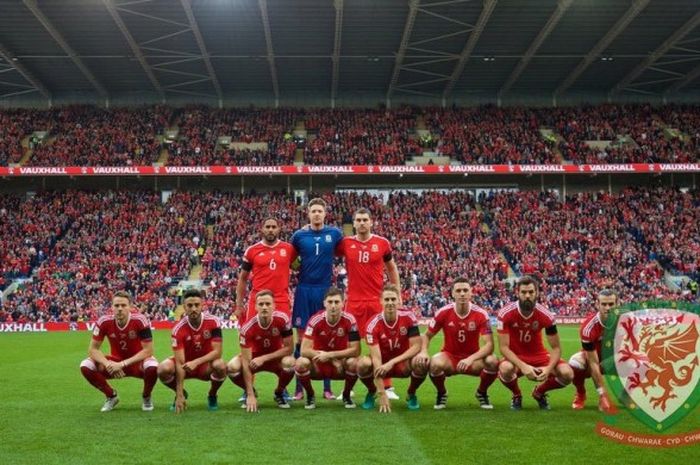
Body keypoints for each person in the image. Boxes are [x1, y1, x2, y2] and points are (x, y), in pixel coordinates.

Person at [336, 207, 401, 399]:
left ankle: (387, 386)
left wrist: (397, 292)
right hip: (353, 301)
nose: (362, 223)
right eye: (359, 220)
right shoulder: (345, 243)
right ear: (353, 223)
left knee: (381, 344)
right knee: (350, 346)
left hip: (375, 301)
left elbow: (392, 268)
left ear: (371, 222)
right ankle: (348, 388)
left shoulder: (382, 243)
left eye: (365, 219)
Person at [413, 278, 499, 410]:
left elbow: (489, 345)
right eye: (458, 290)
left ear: (471, 293)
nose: (462, 294)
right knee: (434, 363)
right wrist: (423, 351)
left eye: (465, 290)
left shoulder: (481, 314)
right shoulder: (443, 312)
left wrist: (470, 358)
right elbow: (426, 336)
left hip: (472, 359)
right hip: (450, 357)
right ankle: (442, 393)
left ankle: (482, 392)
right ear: (452, 293)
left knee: (493, 361)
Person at [290, 198, 344, 400]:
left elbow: (344, 250)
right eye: (313, 211)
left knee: (324, 339)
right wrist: (298, 267)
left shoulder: (335, 234)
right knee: (302, 341)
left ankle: (327, 388)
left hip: (324, 291)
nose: (317, 214)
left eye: (320, 211)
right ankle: (298, 388)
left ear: (325, 213)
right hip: (304, 291)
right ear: (308, 213)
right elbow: (291, 260)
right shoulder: (298, 236)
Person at [497, 275, 574, 410]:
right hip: (516, 357)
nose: (527, 296)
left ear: (537, 293)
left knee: (567, 374)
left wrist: (548, 369)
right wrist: (523, 366)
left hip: (540, 357)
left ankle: (539, 392)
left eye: (531, 292)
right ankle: (517, 394)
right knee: (505, 369)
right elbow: (503, 348)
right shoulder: (505, 314)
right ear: (517, 293)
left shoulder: (547, 315)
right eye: (524, 292)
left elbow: (556, 348)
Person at [79, 291, 158, 412]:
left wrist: (122, 364)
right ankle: (111, 396)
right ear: (111, 307)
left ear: (130, 307)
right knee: (86, 365)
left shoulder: (140, 320)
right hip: (114, 364)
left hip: (137, 363)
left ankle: (146, 397)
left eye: (123, 305)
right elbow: (93, 349)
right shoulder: (104, 321)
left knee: (153, 366)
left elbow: (148, 351)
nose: (120, 309)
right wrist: (108, 364)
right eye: (116, 306)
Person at [157, 289, 227, 413]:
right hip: (185, 366)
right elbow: (179, 363)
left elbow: (217, 352)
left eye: (196, 305)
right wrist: (179, 394)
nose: (193, 308)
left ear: (202, 306)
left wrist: (196, 362)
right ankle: (182, 394)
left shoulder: (213, 322)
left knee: (221, 365)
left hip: (205, 366)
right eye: (189, 305)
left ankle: (212, 395)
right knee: (162, 369)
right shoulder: (177, 330)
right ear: (184, 307)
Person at [357, 284, 422, 413]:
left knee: (421, 362)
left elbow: (416, 346)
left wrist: (392, 362)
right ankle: (372, 392)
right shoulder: (372, 324)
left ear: (399, 300)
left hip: (401, 364)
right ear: (381, 301)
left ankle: (411, 393)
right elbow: (376, 359)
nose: (390, 303)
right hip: (381, 364)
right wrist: (382, 393)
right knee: (362, 364)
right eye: (387, 299)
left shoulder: (409, 317)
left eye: (393, 299)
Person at [227, 290, 296, 412]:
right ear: (255, 307)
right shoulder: (247, 329)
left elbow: (290, 348)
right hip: (253, 360)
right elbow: (246, 361)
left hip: (275, 359)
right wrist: (250, 395)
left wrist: (263, 358)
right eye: (261, 304)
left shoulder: (283, 320)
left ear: (274, 305)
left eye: (268, 304)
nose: (264, 307)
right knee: (232, 367)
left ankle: (279, 392)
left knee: (290, 362)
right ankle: (250, 391)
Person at [295, 287, 361, 409]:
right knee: (300, 363)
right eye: (330, 302)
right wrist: (330, 358)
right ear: (324, 303)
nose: (333, 306)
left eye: (337, 302)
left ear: (343, 303)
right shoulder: (315, 320)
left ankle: (346, 395)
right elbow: (304, 350)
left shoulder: (350, 320)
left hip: (340, 365)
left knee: (354, 363)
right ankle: (310, 395)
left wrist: (331, 355)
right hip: (318, 364)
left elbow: (356, 350)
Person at [235, 217, 296, 323]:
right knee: (250, 335)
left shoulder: (289, 249)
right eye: (267, 227)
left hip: (281, 300)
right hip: (258, 299)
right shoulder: (252, 251)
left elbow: (299, 267)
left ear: (279, 229)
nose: (271, 229)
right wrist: (239, 305)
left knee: (284, 337)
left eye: (273, 227)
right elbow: (243, 278)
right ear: (262, 229)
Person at [569, 289, 618, 412]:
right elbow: (593, 363)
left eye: (611, 304)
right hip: (592, 361)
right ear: (597, 304)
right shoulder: (588, 327)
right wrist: (603, 395)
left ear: (617, 304)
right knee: (575, 362)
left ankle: (626, 396)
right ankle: (581, 393)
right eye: (604, 304)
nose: (607, 308)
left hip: (612, 360)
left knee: (641, 362)